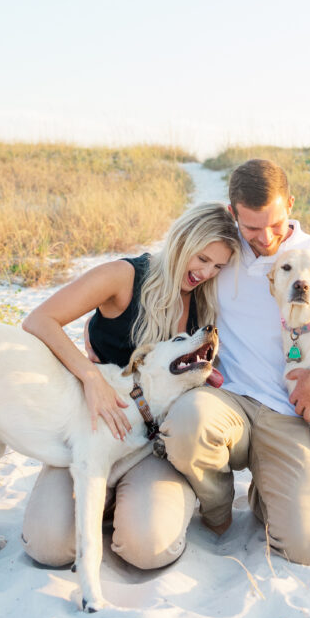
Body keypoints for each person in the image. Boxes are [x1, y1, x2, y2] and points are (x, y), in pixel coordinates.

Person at [161, 158, 310, 566]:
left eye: (275, 223)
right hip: (229, 400)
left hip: (291, 414)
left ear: (290, 203)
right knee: (188, 424)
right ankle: (217, 508)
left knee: (308, 547)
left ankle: (267, 492)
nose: (266, 237)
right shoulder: (220, 253)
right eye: (252, 227)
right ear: (232, 212)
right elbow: (163, 271)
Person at [20, 201, 240, 569]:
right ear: (181, 240)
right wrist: (90, 377)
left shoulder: (206, 303)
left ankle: (129, 504)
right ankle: (103, 501)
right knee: (48, 547)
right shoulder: (123, 277)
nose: (205, 272)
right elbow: (40, 320)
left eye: (217, 266)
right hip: (94, 428)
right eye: (201, 258)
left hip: (152, 446)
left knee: (147, 549)